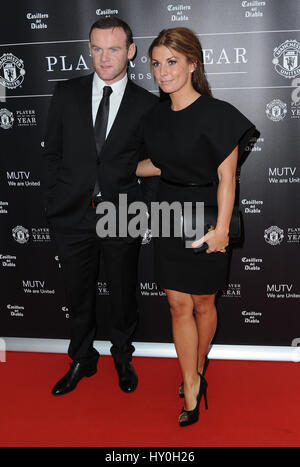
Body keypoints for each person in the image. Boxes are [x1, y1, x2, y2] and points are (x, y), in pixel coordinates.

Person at [137, 27, 257, 426]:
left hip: (206, 214)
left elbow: (227, 178)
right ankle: (190, 381)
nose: (163, 71)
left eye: (172, 62)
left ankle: (199, 364)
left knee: (204, 302)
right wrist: (119, 168)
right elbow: (160, 163)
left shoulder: (219, 115)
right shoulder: (153, 118)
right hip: (169, 211)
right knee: (177, 303)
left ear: (192, 64)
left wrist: (222, 229)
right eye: (156, 63)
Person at [43, 17, 157, 396]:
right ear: (88, 49)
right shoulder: (66, 93)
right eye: (96, 48)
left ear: (130, 51)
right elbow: (52, 153)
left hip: (122, 214)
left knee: (123, 294)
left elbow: (154, 165)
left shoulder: (148, 105)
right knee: (77, 293)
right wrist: (56, 201)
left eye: (113, 48)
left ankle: (122, 356)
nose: (104, 57)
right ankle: (81, 359)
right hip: (72, 213)